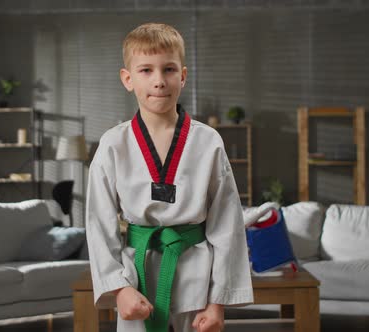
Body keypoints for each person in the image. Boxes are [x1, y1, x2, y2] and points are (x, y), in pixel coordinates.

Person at [86, 22, 253, 332]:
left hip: (197, 278)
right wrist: (120, 290)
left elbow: (227, 224)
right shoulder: (113, 143)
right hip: (137, 279)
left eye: (169, 69)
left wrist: (217, 303)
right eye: (146, 70)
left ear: (183, 76)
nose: (159, 81)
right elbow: (98, 222)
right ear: (128, 79)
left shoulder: (208, 141)